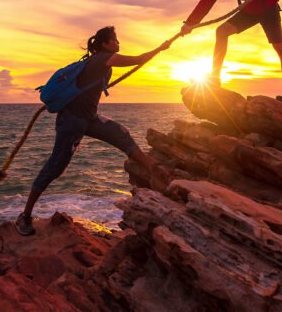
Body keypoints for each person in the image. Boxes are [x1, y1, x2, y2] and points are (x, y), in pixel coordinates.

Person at [15, 26, 169, 236]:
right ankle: (24, 216)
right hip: (71, 122)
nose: (118, 44)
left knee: (121, 134)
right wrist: (160, 48)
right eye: (115, 40)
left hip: (88, 119)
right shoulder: (103, 58)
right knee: (55, 167)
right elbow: (138, 59)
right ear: (105, 44)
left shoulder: (98, 62)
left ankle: (156, 172)